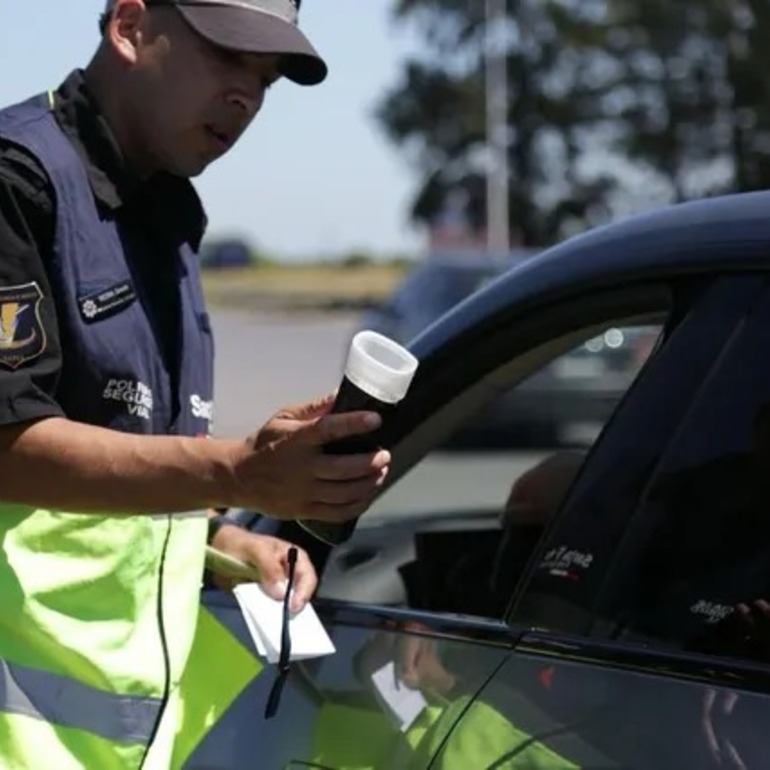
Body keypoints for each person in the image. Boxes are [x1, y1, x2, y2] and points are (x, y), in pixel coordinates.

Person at [0, 1, 391, 768]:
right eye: (226, 58)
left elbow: (127, 462)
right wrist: (240, 470)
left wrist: (223, 540)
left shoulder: (169, 214)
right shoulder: (18, 180)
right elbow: (7, 443)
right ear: (130, 26)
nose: (246, 97)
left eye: (265, 80)